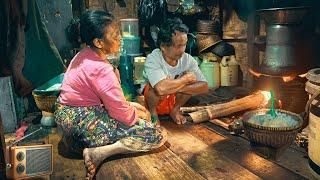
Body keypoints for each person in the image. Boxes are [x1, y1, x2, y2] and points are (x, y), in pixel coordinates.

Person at [54, 10, 167, 180]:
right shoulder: (101, 69)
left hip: (65, 124)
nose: (120, 39)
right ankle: (100, 152)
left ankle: (96, 146)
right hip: (80, 128)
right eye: (115, 36)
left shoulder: (83, 55)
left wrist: (132, 108)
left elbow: (111, 102)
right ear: (98, 42)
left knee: (134, 112)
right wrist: (138, 115)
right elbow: (122, 115)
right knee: (157, 134)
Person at [143, 18, 209, 125]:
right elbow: (160, 89)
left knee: (191, 82)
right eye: (178, 46)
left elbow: (204, 86)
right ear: (163, 46)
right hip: (154, 102)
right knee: (154, 87)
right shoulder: (153, 58)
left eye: (185, 45)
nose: (183, 50)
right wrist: (185, 79)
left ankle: (175, 110)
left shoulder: (187, 59)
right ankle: (153, 115)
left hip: (173, 101)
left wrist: (176, 87)